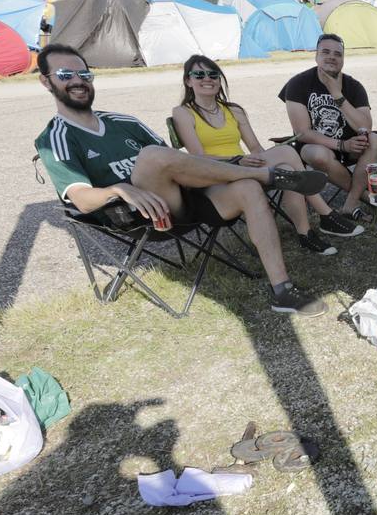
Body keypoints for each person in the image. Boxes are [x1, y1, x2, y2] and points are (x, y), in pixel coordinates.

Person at [35, 44, 329, 316]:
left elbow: (177, 162)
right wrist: (118, 188)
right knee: (151, 155)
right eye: (65, 75)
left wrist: (229, 164)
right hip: (142, 216)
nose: (78, 81)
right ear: (45, 82)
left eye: (84, 74)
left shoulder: (124, 123)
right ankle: (266, 175)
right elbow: (81, 199)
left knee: (249, 189)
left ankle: (282, 290)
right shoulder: (56, 137)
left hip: (185, 197)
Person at [171, 55, 363, 258]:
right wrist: (237, 160)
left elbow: (255, 147)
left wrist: (265, 163)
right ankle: (326, 215)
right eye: (199, 74)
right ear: (188, 81)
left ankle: (305, 233)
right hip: (215, 176)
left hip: (244, 170)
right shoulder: (183, 112)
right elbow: (198, 158)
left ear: (219, 80)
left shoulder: (233, 110)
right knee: (287, 152)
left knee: (287, 170)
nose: (207, 79)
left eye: (213, 74)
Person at [279, 33, 377, 223]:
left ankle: (350, 203)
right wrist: (342, 145)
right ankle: (365, 197)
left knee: (376, 141)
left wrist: (336, 93)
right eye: (325, 52)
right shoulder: (298, 84)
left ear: (343, 59)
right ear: (316, 55)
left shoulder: (354, 86)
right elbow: (302, 132)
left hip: (352, 147)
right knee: (318, 154)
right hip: (315, 147)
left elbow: (365, 126)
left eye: (337, 54)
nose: (331, 57)